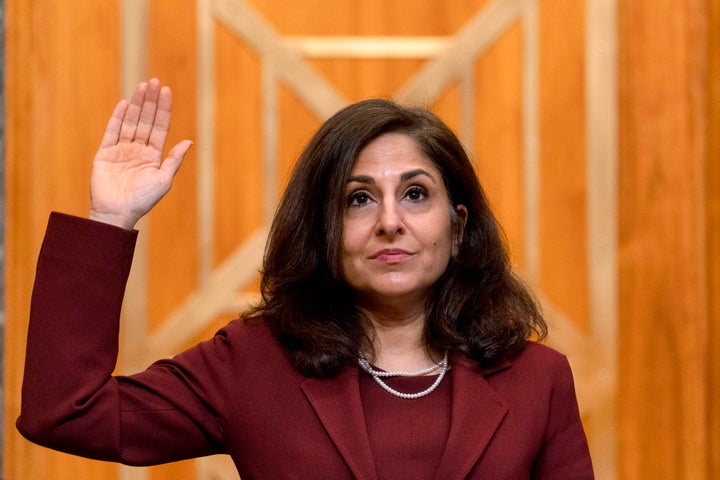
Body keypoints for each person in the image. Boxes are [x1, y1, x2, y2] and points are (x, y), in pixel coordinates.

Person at [17, 78, 594, 479]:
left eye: (415, 194)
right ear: (324, 228)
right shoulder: (253, 362)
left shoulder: (538, 380)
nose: (390, 222)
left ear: (458, 223)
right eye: (359, 199)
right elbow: (68, 412)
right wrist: (109, 219)